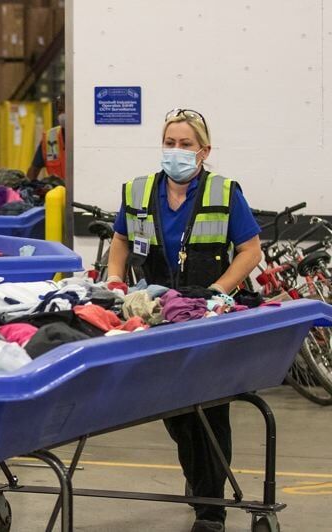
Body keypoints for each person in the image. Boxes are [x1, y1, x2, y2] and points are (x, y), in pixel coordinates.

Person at [106, 109, 261, 532]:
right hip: (158, 318)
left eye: (186, 144)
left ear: (204, 151)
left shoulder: (225, 192)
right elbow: (121, 239)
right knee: (173, 410)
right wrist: (115, 278)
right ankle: (201, 481)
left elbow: (251, 249)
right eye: (170, 143)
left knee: (210, 411)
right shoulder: (138, 191)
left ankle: (210, 511)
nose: (176, 151)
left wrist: (220, 291)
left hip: (207, 318)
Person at [26, 95, 66, 181]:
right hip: (55, 193)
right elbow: (33, 170)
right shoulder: (51, 138)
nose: (62, 115)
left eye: (66, 111)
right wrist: (27, 189)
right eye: (60, 111)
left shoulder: (86, 137)